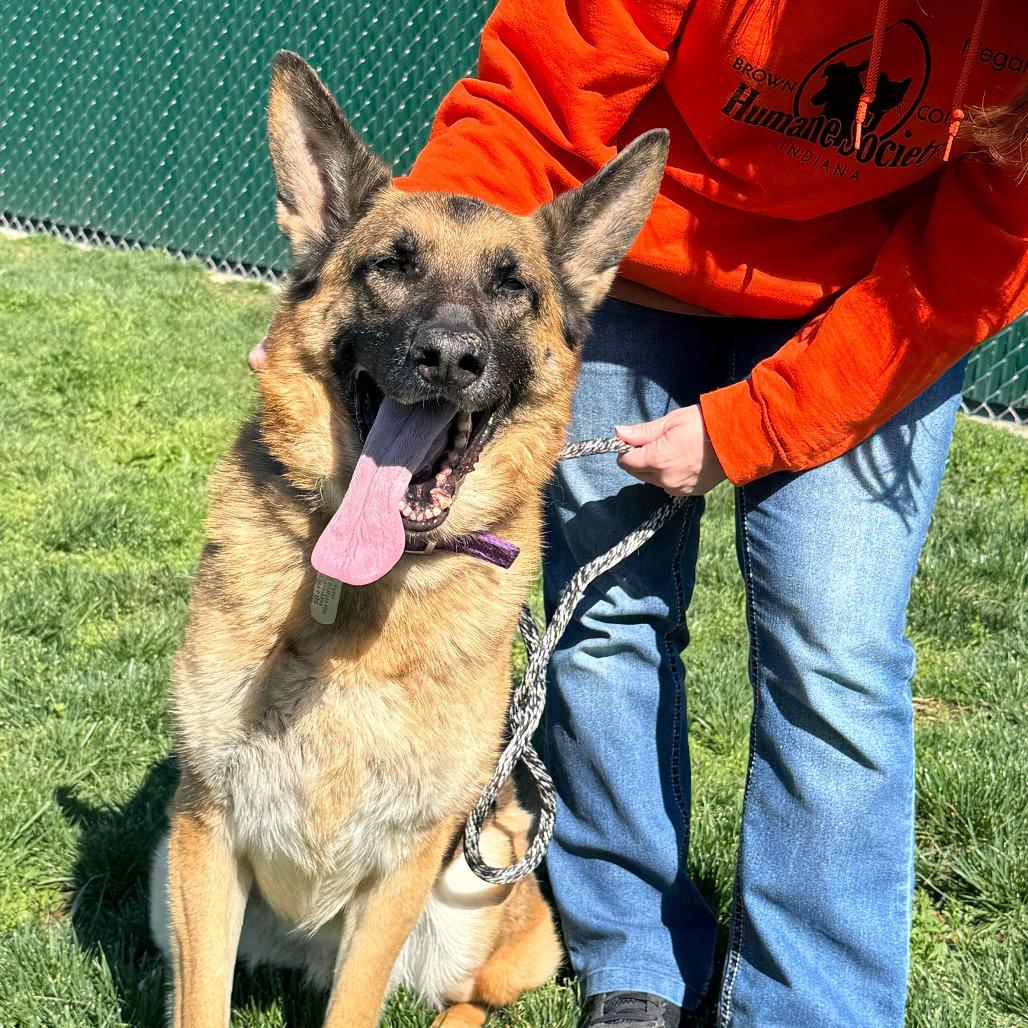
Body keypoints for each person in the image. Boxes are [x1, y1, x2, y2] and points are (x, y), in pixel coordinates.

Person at [390, 3, 1028, 1025]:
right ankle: (633, 950)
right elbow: (534, 105)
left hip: (877, 299)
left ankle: (811, 1002)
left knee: (834, 652)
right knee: (602, 622)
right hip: (643, 271)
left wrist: (750, 425)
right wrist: (414, 305)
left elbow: (976, 257)